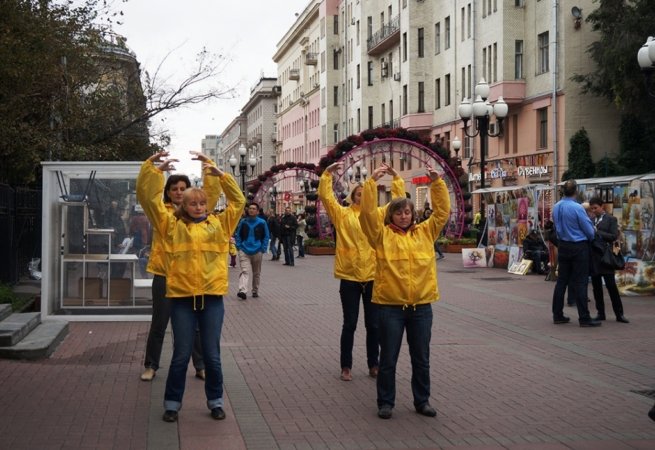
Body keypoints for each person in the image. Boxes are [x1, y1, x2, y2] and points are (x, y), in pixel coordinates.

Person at [137, 151, 245, 423]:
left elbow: (239, 201)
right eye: (192, 203)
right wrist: (152, 171)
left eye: (201, 202)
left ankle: (216, 401)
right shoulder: (170, 225)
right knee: (180, 355)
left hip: (211, 299)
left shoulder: (219, 224)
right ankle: (172, 404)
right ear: (183, 206)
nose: (197, 206)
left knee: (212, 356)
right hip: (182, 299)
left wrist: (223, 176)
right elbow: (149, 200)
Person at [359, 164, 450, 420]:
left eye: (407, 212)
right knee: (388, 359)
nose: (403, 216)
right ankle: (385, 403)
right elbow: (366, 215)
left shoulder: (425, 232)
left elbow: (442, 212)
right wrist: (370, 184)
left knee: (421, 359)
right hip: (390, 308)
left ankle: (422, 401)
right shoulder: (381, 236)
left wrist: (437, 184)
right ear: (391, 216)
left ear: (413, 214)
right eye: (398, 212)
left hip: (421, 307)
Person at [139, 151, 221, 383]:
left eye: (182, 188)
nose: (178, 192)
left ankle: (200, 364)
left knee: (193, 325)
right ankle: (151, 365)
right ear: (168, 191)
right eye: (174, 188)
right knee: (159, 322)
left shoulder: (197, 215)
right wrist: (154, 170)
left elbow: (212, 195)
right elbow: (145, 195)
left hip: (189, 276)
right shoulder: (160, 214)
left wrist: (209, 168)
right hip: (165, 274)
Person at [318, 162, 404, 382]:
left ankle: (373, 364)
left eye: (365, 193)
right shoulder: (342, 215)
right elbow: (327, 198)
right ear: (352, 196)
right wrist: (327, 173)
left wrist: (396, 178)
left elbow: (398, 203)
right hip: (349, 276)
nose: (361, 196)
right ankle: (346, 366)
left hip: (373, 276)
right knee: (350, 323)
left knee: (373, 324)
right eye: (358, 193)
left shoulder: (379, 214)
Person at [551, 180, 600, 327]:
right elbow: (589, 231)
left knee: (561, 282)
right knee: (580, 282)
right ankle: (584, 317)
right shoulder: (577, 208)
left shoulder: (556, 206)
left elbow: (556, 226)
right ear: (575, 191)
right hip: (578, 246)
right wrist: (591, 235)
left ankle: (557, 314)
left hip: (563, 245)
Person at [588, 197, 629, 323]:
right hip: (594, 257)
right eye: (592, 208)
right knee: (596, 287)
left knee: (611, 286)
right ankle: (601, 313)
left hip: (606, 258)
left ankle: (619, 314)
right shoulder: (591, 220)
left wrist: (597, 232)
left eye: (596, 208)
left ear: (602, 207)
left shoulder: (611, 219)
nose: (594, 211)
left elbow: (613, 236)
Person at [234, 202, 270, 299]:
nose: (251, 210)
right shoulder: (243, 222)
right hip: (244, 250)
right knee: (245, 271)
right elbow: (237, 234)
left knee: (256, 273)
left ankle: (255, 290)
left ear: (257, 211)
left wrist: (263, 248)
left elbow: (266, 236)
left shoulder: (262, 223)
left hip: (257, 250)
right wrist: (239, 246)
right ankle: (242, 291)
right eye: (250, 208)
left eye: (254, 208)